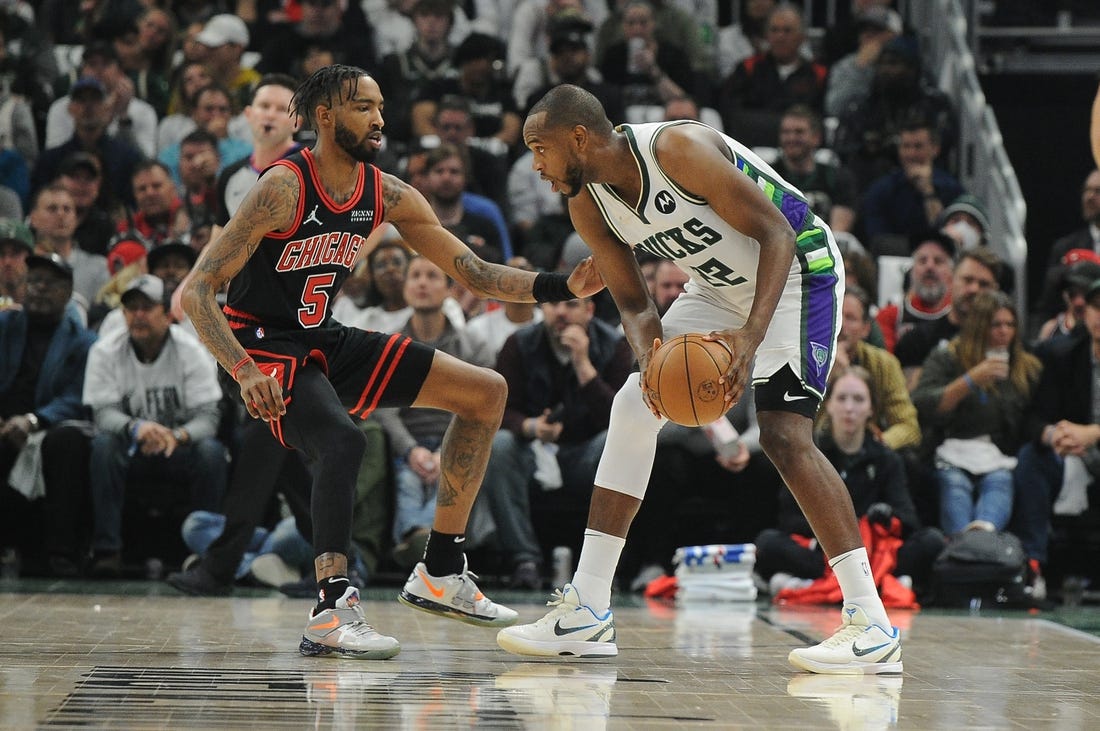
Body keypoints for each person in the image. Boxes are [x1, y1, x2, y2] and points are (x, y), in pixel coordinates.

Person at [178, 65, 602, 660]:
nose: (379, 119)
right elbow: (197, 292)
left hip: (321, 337)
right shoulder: (283, 187)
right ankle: (331, 609)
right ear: (325, 117)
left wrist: (563, 285)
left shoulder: (387, 193)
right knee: (344, 440)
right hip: (261, 345)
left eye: (380, 106)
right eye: (363, 107)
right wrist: (243, 369)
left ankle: (441, 570)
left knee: (486, 392)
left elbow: (475, 273)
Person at [497, 84, 902, 675]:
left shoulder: (676, 149)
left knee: (783, 435)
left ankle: (871, 621)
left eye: (540, 148)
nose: (535, 164)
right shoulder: (587, 203)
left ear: (578, 138)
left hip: (798, 271)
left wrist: (750, 339)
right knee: (633, 405)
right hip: (716, 287)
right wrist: (653, 363)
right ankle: (586, 609)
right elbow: (634, 305)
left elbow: (778, 235)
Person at [756, 365, 944, 602]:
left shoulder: (887, 459)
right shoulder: (809, 456)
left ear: (871, 408)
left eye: (858, 400)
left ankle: (816, 583)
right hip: (823, 549)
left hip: (871, 551)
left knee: (931, 541)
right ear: (828, 405)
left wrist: (885, 516)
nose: (849, 408)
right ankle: (878, 582)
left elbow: (908, 518)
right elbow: (789, 517)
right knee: (767, 543)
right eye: (842, 398)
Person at [911, 290, 1041, 535]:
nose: (1004, 331)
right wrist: (970, 380)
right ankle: (962, 545)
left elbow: (1033, 417)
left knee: (1000, 483)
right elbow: (923, 404)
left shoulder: (1027, 368)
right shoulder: (948, 356)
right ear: (980, 327)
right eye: (996, 325)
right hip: (950, 452)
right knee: (955, 485)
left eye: (1010, 325)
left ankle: (981, 538)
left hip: (999, 456)